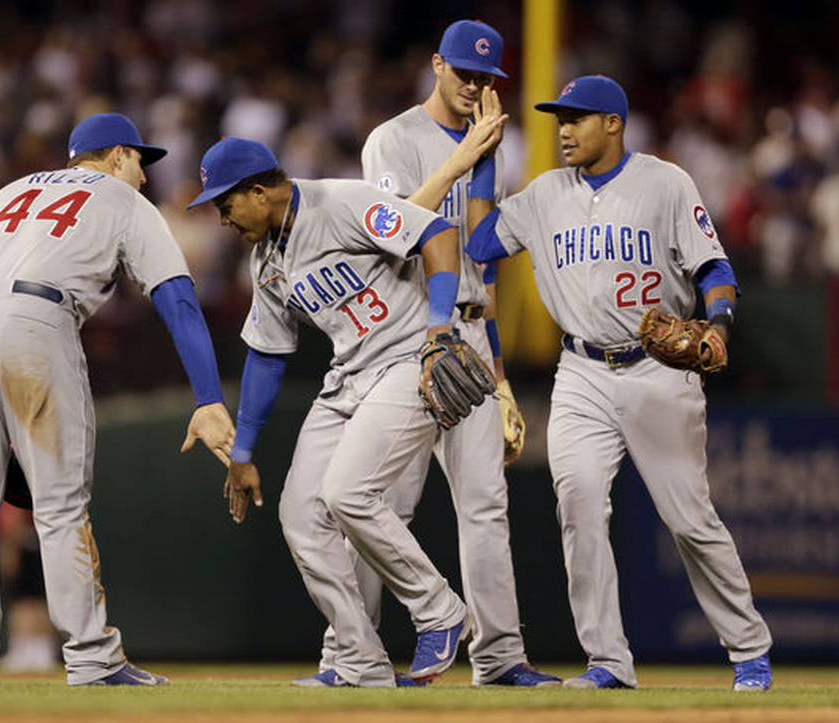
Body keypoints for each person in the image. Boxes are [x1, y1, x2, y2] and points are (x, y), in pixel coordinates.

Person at [466, 75, 773, 691]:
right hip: (579, 371)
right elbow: (478, 243)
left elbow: (714, 266)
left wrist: (717, 325)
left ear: (614, 123)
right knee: (577, 504)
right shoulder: (545, 193)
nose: (565, 130)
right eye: (560, 120)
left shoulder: (665, 182)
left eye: (578, 118)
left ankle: (749, 651)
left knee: (688, 518)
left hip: (658, 369)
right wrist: (481, 162)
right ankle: (608, 661)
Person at [0, 112, 235, 686]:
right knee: (59, 502)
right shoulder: (123, 200)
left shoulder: (9, 190)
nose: (145, 178)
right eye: (140, 163)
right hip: (35, 320)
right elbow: (176, 297)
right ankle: (94, 658)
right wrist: (207, 395)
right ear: (117, 154)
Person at [187, 136, 483, 688]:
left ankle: (439, 610)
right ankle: (358, 659)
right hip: (349, 375)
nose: (222, 219)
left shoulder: (342, 202)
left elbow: (436, 233)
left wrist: (440, 325)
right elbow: (267, 356)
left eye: (224, 204)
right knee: (300, 514)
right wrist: (243, 453)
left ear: (258, 192)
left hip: (409, 357)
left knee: (348, 493)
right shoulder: (266, 258)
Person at [316, 19, 560, 688]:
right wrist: (463, 159)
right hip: (404, 337)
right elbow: (396, 234)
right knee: (376, 500)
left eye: (486, 77)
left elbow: (479, 253)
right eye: (464, 72)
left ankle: (499, 655)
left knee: (485, 502)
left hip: (471, 333)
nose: (474, 85)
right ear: (435, 65)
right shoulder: (391, 139)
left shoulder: (490, 147)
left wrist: (502, 371)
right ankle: (349, 657)